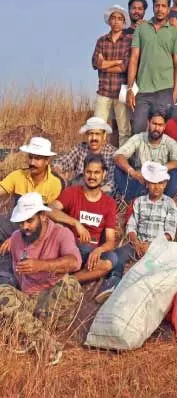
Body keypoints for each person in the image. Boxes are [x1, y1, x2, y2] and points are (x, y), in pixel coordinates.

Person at [0, 192, 82, 365]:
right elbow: (18, 277)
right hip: (29, 299)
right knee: (3, 292)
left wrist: (41, 265)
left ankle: (26, 331)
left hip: (52, 300)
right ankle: (43, 340)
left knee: (71, 285)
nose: (25, 227)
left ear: (43, 216)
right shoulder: (16, 238)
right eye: (21, 223)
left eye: (30, 221)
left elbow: (75, 263)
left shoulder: (61, 233)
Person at [46, 155, 121, 300]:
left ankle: (66, 282)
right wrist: (75, 223)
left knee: (111, 260)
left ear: (103, 174)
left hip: (91, 252)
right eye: (89, 172)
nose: (92, 176)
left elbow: (110, 240)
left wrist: (99, 249)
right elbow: (51, 209)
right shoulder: (72, 192)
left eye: (96, 172)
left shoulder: (109, 203)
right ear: (84, 173)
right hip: (70, 246)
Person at [126, 0, 177, 134]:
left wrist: (174, 94)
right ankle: (137, 158)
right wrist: (129, 88)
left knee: (162, 132)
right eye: (157, 5)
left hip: (165, 90)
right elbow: (133, 59)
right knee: (137, 130)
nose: (160, 9)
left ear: (168, 8)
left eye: (163, 6)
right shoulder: (141, 28)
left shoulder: (174, 32)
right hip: (143, 90)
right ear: (152, 7)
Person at [114, 109, 177, 201]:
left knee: (176, 173)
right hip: (140, 181)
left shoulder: (170, 142)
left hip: (160, 185)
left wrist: (160, 170)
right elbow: (118, 156)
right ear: (148, 123)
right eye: (154, 124)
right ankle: (135, 200)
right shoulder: (138, 138)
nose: (156, 128)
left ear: (164, 126)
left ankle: (163, 200)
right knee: (118, 169)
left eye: (160, 125)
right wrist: (133, 173)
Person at [122, 162, 177, 262]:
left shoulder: (169, 203)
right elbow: (131, 226)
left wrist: (150, 246)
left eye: (160, 183)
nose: (156, 187)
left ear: (165, 184)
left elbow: (169, 232)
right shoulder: (139, 201)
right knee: (120, 254)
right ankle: (115, 275)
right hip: (138, 245)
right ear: (147, 184)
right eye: (153, 183)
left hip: (159, 247)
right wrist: (137, 243)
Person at [92, 4, 132, 146]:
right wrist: (116, 62)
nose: (116, 21)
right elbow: (96, 64)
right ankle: (97, 161)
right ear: (109, 21)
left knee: (124, 130)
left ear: (124, 22)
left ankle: (123, 161)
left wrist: (105, 65)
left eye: (119, 19)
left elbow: (124, 67)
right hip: (104, 90)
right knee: (96, 128)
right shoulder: (101, 41)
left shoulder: (129, 41)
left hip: (121, 91)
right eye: (113, 18)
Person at [53, 117, 118, 192]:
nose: (94, 138)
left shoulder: (112, 153)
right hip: (78, 190)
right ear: (86, 135)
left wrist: (96, 193)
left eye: (97, 134)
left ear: (104, 136)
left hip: (101, 193)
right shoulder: (81, 148)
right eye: (91, 134)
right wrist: (59, 173)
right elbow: (60, 162)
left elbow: (112, 182)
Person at [0, 137, 62, 205]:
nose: (32, 163)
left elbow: (53, 211)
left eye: (37, 159)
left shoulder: (54, 184)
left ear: (47, 161)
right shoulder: (18, 175)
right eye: (30, 157)